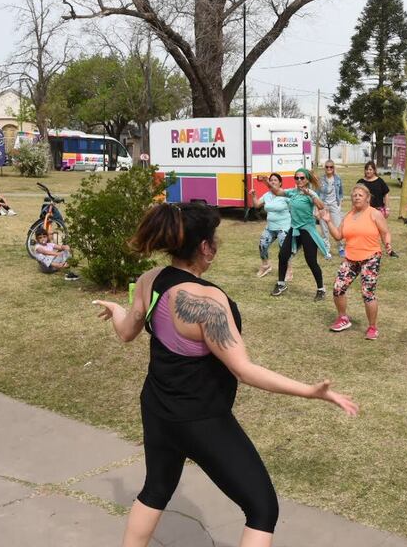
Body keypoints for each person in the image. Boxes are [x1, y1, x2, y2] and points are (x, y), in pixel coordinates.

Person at [92, 202, 357, 547]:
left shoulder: (149, 281)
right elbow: (243, 370)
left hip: (157, 410)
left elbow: (126, 332)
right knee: (262, 509)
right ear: (204, 247)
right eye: (214, 239)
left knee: (156, 489)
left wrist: (116, 309)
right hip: (201, 419)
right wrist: (311, 391)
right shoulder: (208, 301)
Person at [321, 184, 393, 340]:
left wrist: (387, 245)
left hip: (370, 257)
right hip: (351, 257)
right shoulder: (348, 216)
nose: (357, 197)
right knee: (338, 288)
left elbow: (385, 233)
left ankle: (372, 327)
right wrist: (328, 221)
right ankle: (343, 318)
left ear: (367, 198)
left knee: (368, 293)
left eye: (360, 195)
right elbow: (338, 236)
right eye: (354, 195)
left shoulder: (374, 214)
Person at [265, 169, 330, 299]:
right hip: (294, 229)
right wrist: (266, 182)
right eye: (297, 178)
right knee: (283, 255)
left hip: (307, 230)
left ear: (307, 180)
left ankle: (321, 289)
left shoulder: (310, 193)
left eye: (302, 178)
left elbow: (321, 206)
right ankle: (281, 283)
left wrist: (310, 195)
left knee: (311, 261)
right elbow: (277, 191)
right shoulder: (292, 192)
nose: (299, 180)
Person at [249, 174, 292, 279]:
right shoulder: (267, 195)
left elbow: (295, 207)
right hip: (270, 227)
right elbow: (257, 205)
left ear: (280, 183)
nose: (273, 182)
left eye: (275, 180)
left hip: (283, 228)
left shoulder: (285, 194)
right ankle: (266, 265)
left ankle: (289, 271)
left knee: (284, 251)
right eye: (271, 180)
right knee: (262, 245)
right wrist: (254, 196)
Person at [316, 160, 345, 258]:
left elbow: (341, 193)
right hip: (323, 205)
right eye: (327, 167)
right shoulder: (320, 179)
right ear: (324, 168)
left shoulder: (337, 179)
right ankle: (326, 250)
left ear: (333, 168)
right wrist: (317, 208)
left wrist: (339, 205)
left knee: (338, 227)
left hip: (334, 205)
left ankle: (341, 247)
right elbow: (316, 195)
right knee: (324, 229)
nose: (329, 169)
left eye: (331, 167)